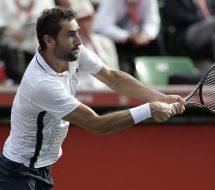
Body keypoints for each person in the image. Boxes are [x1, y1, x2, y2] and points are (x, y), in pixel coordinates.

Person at [0, 7, 185, 190]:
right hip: (18, 174)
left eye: (78, 32)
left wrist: (162, 97)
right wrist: (149, 109)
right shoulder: (41, 84)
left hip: (40, 168)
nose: (79, 41)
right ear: (49, 41)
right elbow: (96, 124)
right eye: (71, 34)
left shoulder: (73, 52)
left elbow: (113, 78)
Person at [93, 0, 166, 75]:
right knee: (106, 42)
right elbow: (102, 26)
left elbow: (152, 22)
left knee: (157, 40)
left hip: (140, 38)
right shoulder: (111, 2)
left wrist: (146, 35)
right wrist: (126, 36)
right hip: (118, 40)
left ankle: (160, 71)